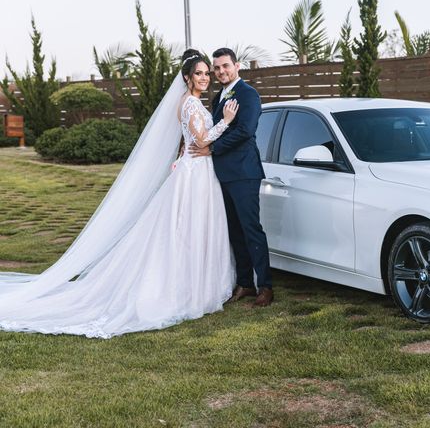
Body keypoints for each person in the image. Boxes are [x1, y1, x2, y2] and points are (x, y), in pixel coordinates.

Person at [0, 50, 238, 338]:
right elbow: (201, 139)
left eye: (205, 73)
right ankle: (184, 288)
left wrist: (185, 153)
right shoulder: (189, 104)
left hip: (196, 171)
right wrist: (225, 121)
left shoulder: (193, 103)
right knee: (185, 230)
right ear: (187, 78)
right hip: (194, 175)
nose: (204, 77)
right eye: (198, 73)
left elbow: (189, 141)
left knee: (192, 229)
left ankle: (198, 284)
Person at [189, 48, 273, 307]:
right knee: (234, 231)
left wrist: (212, 148)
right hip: (221, 173)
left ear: (237, 66)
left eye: (225, 66)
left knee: (251, 229)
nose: (221, 71)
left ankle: (265, 286)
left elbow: (246, 131)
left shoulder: (249, 95)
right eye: (217, 68)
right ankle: (245, 283)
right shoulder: (218, 99)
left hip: (244, 173)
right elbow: (214, 130)